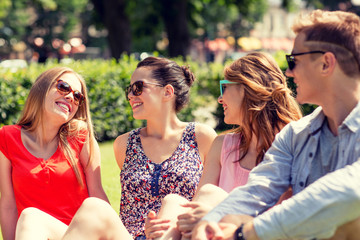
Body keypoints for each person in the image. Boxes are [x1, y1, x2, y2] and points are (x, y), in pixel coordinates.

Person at [192, 9, 360, 240]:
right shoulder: (295, 135)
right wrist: (209, 223)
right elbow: (257, 190)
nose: (288, 73)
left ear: (325, 64)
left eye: (294, 61)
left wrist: (246, 232)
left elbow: (349, 192)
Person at [144, 52, 302, 240]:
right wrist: (167, 227)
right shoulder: (223, 145)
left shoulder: (291, 143)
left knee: (211, 193)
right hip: (209, 233)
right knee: (173, 202)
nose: (220, 98)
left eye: (224, 87)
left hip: (252, 234)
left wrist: (217, 216)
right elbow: (196, 207)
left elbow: (287, 218)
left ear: (248, 88)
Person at [0, 67, 109, 240]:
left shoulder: (80, 136)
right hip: (32, 234)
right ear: (42, 88)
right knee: (30, 219)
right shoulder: (7, 138)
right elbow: (8, 205)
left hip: (78, 234)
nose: (70, 97)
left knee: (30, 217)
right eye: (64, 87)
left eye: (77, 96)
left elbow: (97, 194)